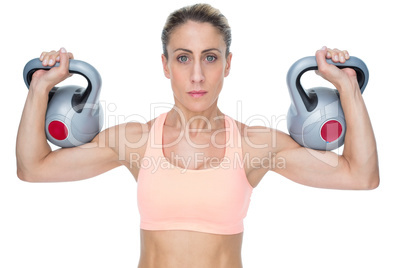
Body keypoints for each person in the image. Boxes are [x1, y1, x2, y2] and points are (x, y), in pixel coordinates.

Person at [16, 3, 379, 268]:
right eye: (183, 58)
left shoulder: (255, 146)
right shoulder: (135, 142)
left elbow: (360, 176)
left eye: (209, 57)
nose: (196, 76)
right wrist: (39, 88)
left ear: (228, 64)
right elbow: (33, 167)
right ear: (165, 65)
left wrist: (348, 86)